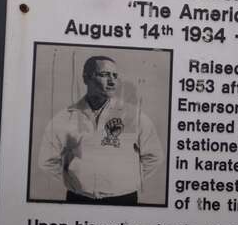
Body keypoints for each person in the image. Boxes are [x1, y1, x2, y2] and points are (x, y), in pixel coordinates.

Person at [38, 56, 164, 205]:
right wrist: (74, 181)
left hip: (123, 199)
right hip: (79, 199)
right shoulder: (66, 117)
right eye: (105, 75)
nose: (112, 81)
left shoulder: (132, 116)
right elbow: (47, 160)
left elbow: (154, 156)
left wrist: (128, 180)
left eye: (115, 76)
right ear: (86, 78)